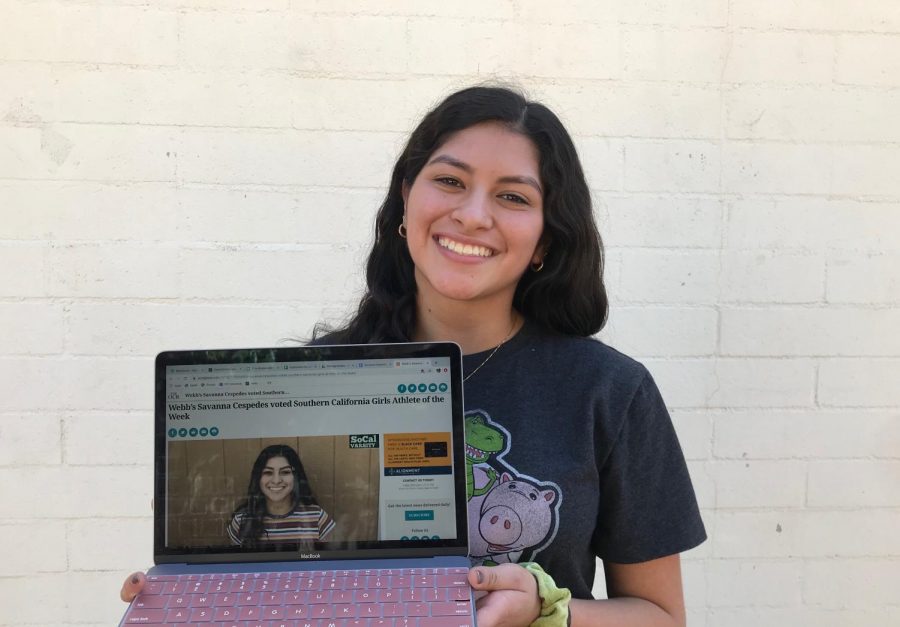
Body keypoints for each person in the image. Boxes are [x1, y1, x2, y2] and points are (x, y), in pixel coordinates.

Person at [122, 85, 705, 627]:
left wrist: (547, 609)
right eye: (450, 181)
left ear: (545, 240)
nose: (474, 214)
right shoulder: (309, 380)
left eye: (512, 196)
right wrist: (199, 576)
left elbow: (661, 616)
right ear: (407, 199)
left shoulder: (609, 391)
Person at [226, 444, 334, 546]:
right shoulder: (241, 521)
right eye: (268, 472)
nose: (276, 480)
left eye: (285, 472)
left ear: (296, 477)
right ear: (258, 478)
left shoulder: (317, 517)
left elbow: (330, 562)